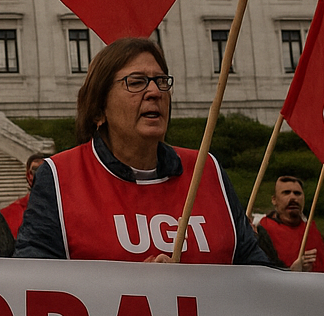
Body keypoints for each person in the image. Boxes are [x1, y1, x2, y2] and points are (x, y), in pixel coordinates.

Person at [14, 36, 269, 264]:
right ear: (99, 108)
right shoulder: (59, 177)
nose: (155, 92)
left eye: (160, 81)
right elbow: (35, 287)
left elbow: (256, 272)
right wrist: (135, 287)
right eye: (136, 82)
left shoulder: (207, 169)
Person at [255, 175, 324, 273]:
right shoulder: (260, 233)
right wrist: (291, 271)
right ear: (274, 200)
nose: (293, 197)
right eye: (286, 193)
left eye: (297, 193)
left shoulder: (314, 233)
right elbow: (262, 270)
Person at [0, 151, 48, 257]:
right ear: (29, 176)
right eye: (37, 170)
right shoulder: (8, 216)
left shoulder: (67, 213)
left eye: (45, 172)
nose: (42, 176)